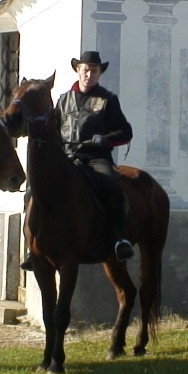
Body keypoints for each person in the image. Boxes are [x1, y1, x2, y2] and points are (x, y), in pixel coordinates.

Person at [56, 50, 135, 261]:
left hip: (95, 159)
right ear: (77, 71)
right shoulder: (63, 100)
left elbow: (126, 132)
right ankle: (36, 245)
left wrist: (106, 139)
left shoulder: (108, 100)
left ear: (99, 73)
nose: (89, 74)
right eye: (85, 70)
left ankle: (119, 239)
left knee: (112, 188)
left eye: (94, 70)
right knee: (36, 191)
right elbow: (53, 132)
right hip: (67, 158)